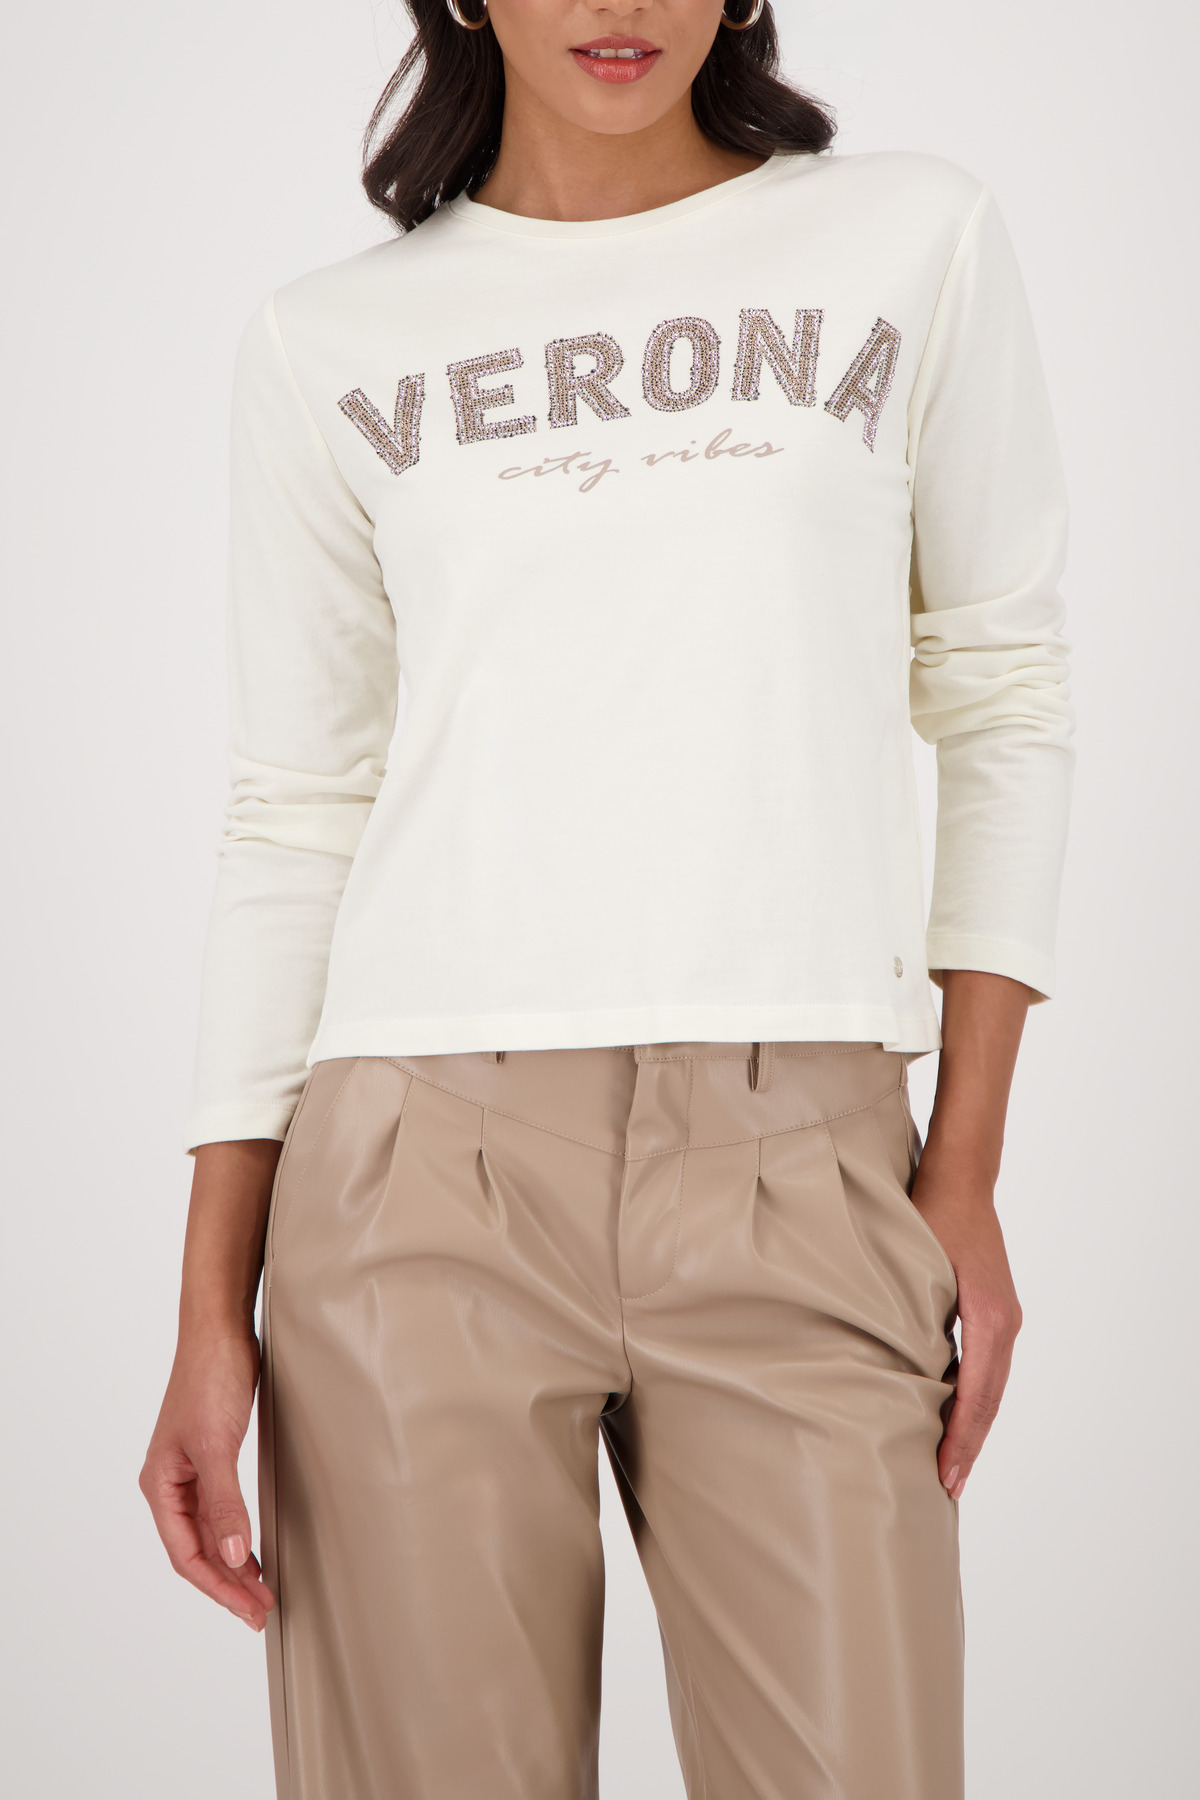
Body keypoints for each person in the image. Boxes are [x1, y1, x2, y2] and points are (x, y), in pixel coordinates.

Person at [140, 1, 1073, 1795]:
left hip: (803, 1160)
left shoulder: (909, 238)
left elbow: (1004, 693)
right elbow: (296, 813)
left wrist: (962, 1166)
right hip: (411, 1178)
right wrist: (208, 1307)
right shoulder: (329, 341)